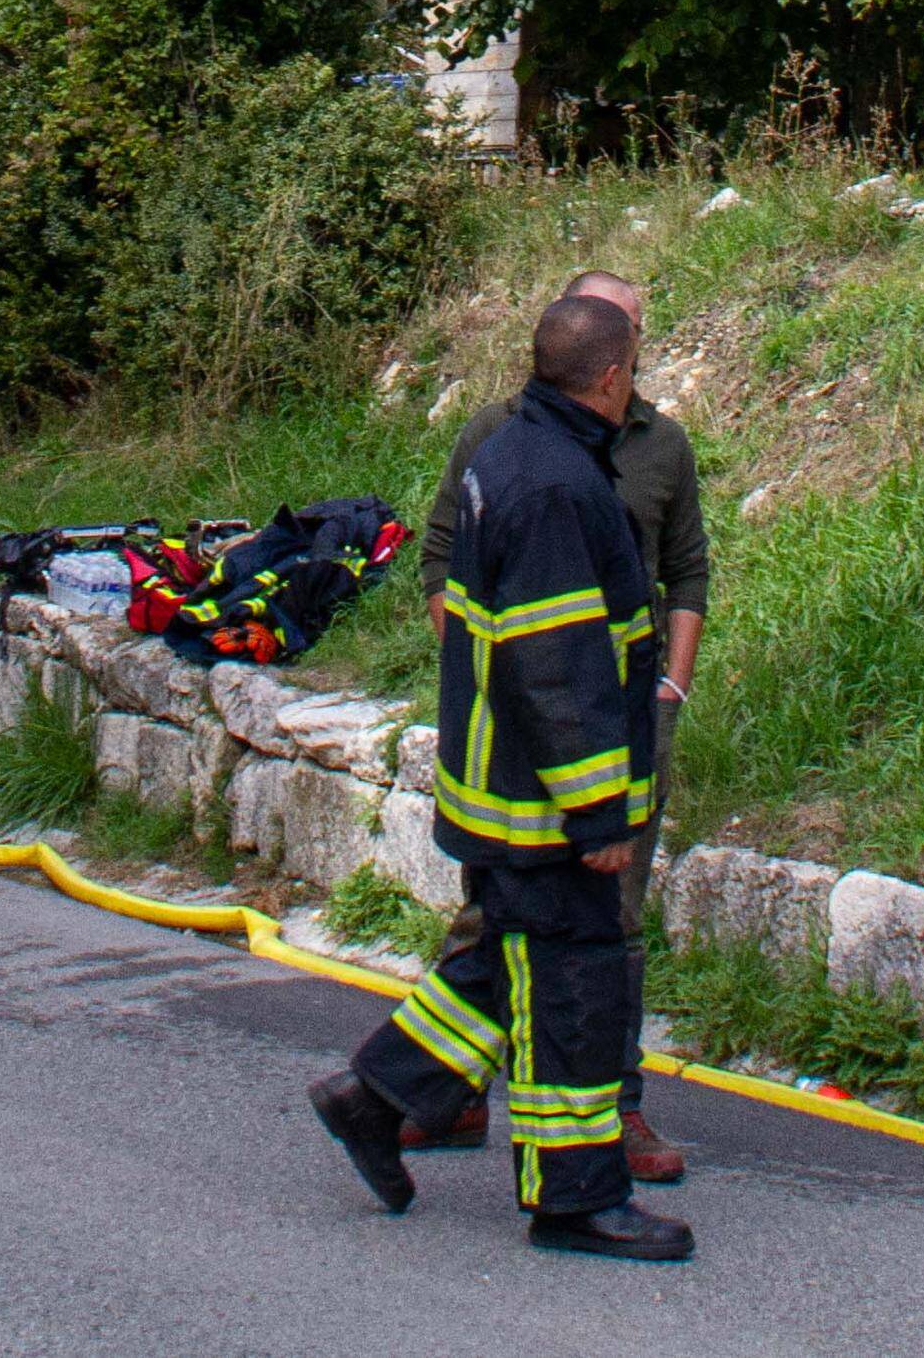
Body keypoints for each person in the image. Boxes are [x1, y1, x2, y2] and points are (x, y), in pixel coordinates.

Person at [308, 288, 694, 1264]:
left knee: (500, 962)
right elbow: (558, 668)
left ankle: (373, 1097)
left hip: (503, 780)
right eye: (634, 367)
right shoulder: (558, 487)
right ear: (611, 377)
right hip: (545, 801)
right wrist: (598, 813)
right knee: (574, 987)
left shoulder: (510, 451)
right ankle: (577, 1199)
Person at [406, 270, 705, 1183]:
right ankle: (484, 1119)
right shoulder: (535, 464)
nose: (637, 356)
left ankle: (402, 1092)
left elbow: (685, 570)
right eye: (628, 342)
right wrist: (588, 796)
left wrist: (668, 687)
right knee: (530, 930)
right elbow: (536, 642)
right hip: (550, 742)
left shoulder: (642, 446)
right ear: (605, 367)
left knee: (595, 930)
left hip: (609, 728)